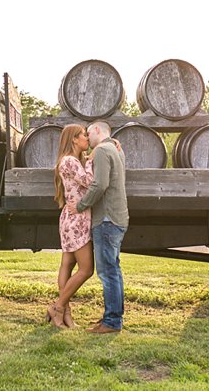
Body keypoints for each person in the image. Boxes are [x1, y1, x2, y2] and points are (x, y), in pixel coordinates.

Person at [73, 120, 129, 334]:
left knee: (108, 272)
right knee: (113, 269)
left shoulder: (105, 150)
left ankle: (112, 322)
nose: (87, 138)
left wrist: (80, 205)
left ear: (97, 130)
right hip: (116, 217)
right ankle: (112, 317)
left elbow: (100, 184)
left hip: (106, 219)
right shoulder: (114, 149)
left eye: (88, 133)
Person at [45, 124, 96, 328]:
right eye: (84, 135)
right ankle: (57, 307)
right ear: (74, 139)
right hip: (76, 219)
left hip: (72, 217)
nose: (87, 138)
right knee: (86, 270)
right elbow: (90, 182)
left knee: (67, 265)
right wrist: (92, 161)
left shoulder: (72, 161)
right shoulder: (69, 161)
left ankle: (66, 315)